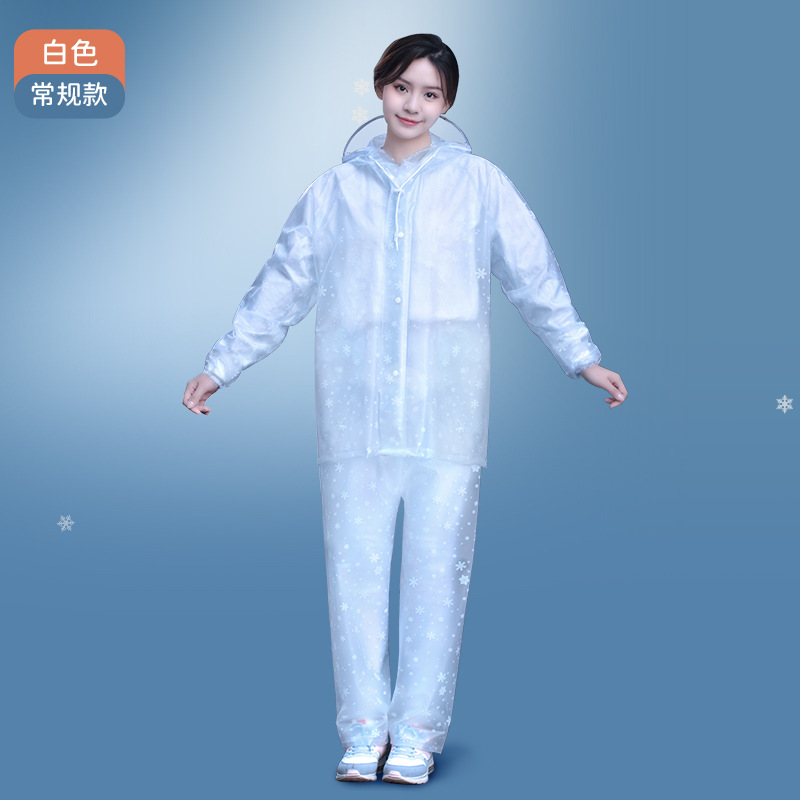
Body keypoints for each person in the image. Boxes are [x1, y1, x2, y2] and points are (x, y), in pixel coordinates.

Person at [183, 33, 627, 785]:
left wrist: (580, 356)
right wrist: (221, 366)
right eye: (401, 87)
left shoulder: (479, 185)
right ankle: (363, 732)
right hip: (353, 411)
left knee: (435, 579)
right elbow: (281, 286)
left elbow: (533, 275)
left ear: (447, 102)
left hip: (448, 413)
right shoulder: (334, 192)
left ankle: (417, 734)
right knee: (353, 579)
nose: (413, 105)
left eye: (430, 93)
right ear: (380, 86)